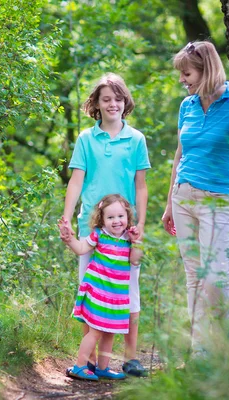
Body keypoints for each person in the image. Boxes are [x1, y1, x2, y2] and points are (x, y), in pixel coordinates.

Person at [61, 72, 150, 377]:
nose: (113, 104)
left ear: (126, 102)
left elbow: (141, 186)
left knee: (129, 294)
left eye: (118, 98)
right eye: (106, 99)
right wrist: (67, 217)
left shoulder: (136, 139)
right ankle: (87, 361)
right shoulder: (87, 139)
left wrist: (141, 223)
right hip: (92, 227)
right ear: (96, 104)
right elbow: (76, 180)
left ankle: (130, 358)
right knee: (92, 292)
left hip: (124, 230)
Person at [161, 41, 229, 356]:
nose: (183, 79)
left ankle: (222, 347)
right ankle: (199, 353)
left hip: (221, 197)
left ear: (206, 68)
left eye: (187, 73)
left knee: (216, 276)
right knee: (194, 275)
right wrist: (169, 202)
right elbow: (180, 154)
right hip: (184, 197)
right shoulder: (188, 105)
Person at [59, 194, 144, 381]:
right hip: (98, 292)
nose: (116, 221)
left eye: (120, 216)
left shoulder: (128, 239)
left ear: (127, 217)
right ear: (102, 219)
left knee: (110, 331)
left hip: (116, 295)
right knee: (95, 331)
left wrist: (137, 241)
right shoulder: (99, 235)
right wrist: (69, 240)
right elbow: (81, 249)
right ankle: (79, 365)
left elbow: (135, 260)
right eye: (110, 217)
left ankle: (103, 368)